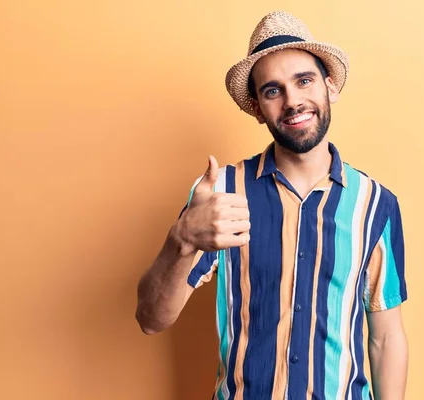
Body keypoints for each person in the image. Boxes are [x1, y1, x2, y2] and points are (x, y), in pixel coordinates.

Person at [135, 10, 408, 400]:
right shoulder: (221, 193)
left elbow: (385, 337)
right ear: (258, 108)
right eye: (273, 90)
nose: (293, 101)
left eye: (304, 81)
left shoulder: (375, 204)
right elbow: (150, 319)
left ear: (330, 87)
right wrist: (182, 239)